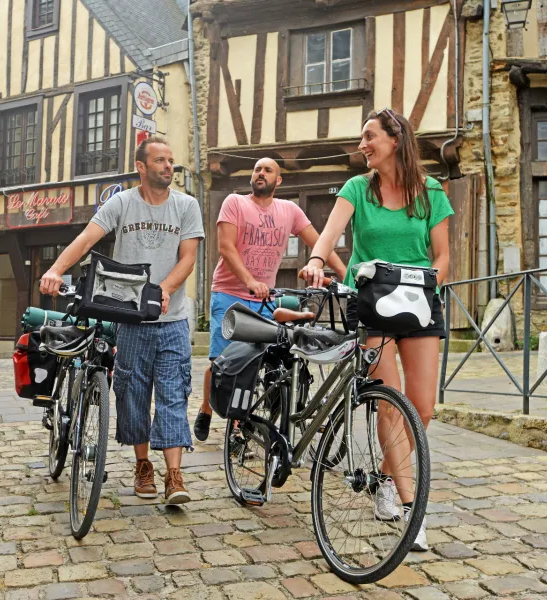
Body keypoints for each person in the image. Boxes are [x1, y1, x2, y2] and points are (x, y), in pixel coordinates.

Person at [301, 108, 453, 552]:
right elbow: (329, 233)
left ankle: (385, 477)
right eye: (362, 137)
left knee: (420, 408)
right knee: (391, 405)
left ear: (395, 139)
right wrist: (315, 260)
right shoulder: (356, 189)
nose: (363, 144)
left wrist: (425, 285)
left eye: (370, 136)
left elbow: (442, 256)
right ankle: (411, 510)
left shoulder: (430, 191)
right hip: (372, 305)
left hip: (420, 304)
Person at [40, 136, 204, 505]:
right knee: (132, 395)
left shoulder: (186, 205)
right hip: (130, 320)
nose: (168, 167)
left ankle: (174, 476)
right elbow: (86, 240)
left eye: (171, 161)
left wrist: (163, 289)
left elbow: (188, 258)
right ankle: (143, 465)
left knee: (173, 394)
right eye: (160, 161)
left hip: (172, 319)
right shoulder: (122, 203)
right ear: (142, 167)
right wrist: (55, 269)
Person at [194, 157, 346, 442]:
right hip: (230, 293)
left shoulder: (289, 210)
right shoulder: (235, 203)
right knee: (222, 361)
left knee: (253, 362)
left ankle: (239, 426)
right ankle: (206, 407)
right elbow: (226, 247)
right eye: (257, 169)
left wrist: (345, 274)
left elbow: (318, 241)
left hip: (265, 298)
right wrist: (250, 281)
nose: (260, 173)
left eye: (268, 170)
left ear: (279, 181)